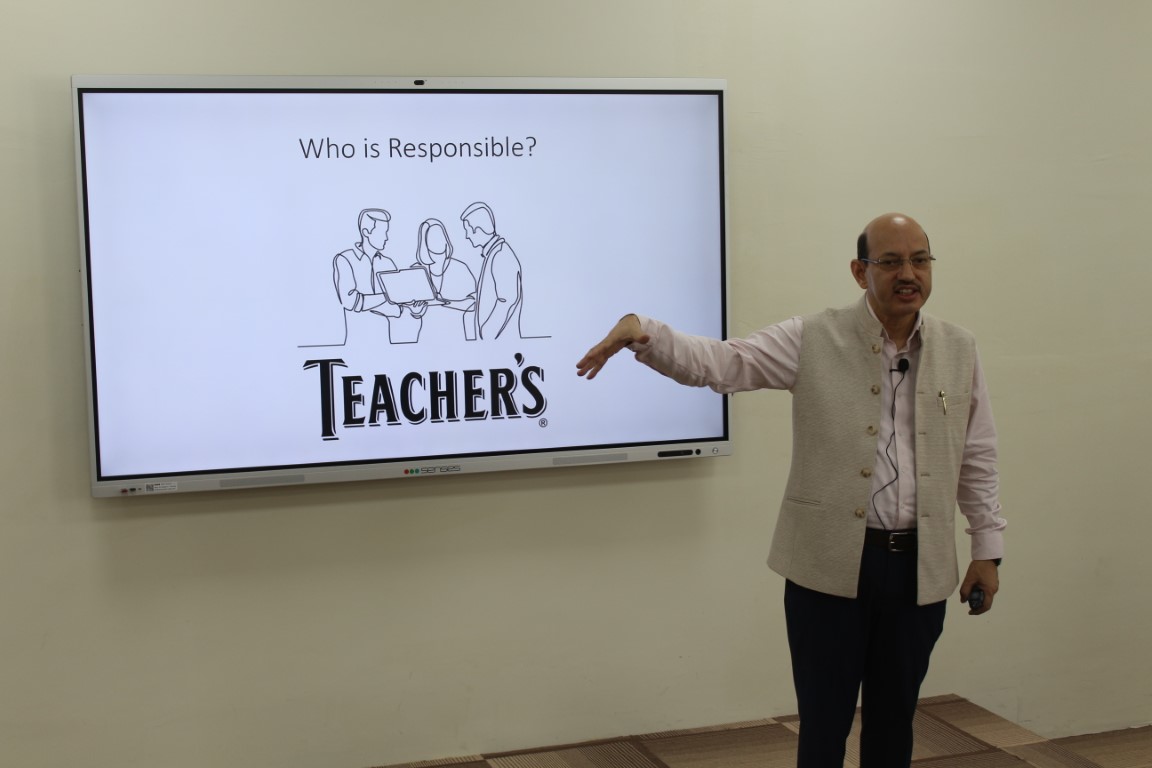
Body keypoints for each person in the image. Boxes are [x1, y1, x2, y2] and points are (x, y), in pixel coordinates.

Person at [576, 213, 1005, 768]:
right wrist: (645, 330)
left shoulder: (959, 348)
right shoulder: (813, 337)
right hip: (828, 567)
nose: (909, 273)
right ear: (860, 272)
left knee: (895, 718)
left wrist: (987, 548)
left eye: (920, 260)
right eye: (891, 261)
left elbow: (977, 454)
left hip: (919, 568)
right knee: (824, 723)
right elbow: (725, 363)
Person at [332, 208, 403, 346]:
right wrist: (388, 296)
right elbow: (350, 302)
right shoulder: (345, 259)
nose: (386, 237)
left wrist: (413, 311)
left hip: (385, 341)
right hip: (356, 341)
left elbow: (397, 309)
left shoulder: (388, 263)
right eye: (382, 232)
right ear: (366, 232)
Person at [405, 217, 478, 342]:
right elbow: (410, 311)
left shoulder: (460, 267)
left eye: (440, 236)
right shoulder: (416, 270)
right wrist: (416, 312)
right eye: (432, 238)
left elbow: (474, 303)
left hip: (457, 334)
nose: (438, 242)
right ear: (424, 244)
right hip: (427, 336)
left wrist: (445, 303)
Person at [460, 201, 523, 339]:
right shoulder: (493, 253)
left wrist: (486, 334)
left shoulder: (501, 254)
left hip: (500, 341)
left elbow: (507, 300)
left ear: (478, 229)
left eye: (467, 229)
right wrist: (478, 296)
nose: (466, 236)